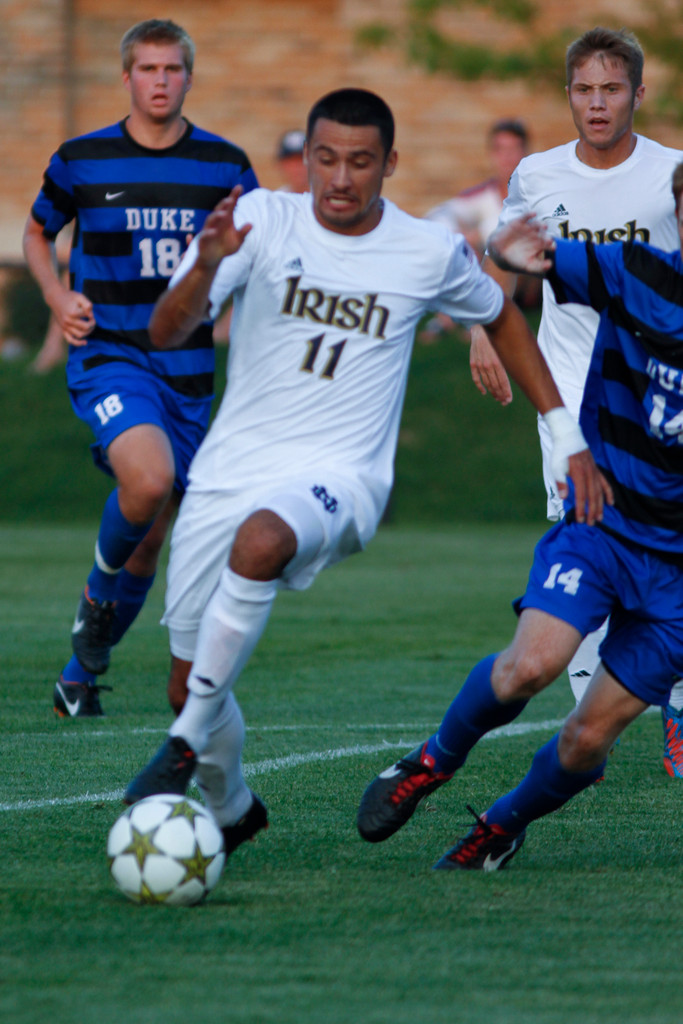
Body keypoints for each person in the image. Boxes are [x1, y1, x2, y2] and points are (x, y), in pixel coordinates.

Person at [121, 87, 603, 857]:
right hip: (230, 469)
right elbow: (164, 328)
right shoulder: (256, 220)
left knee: (262, 541)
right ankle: (233, 804)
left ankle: (179, 749)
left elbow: (502, 314)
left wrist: (562, 429)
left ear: (388, 165)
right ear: (305, 157)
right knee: (191, 679)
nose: (339, 178)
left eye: (358, 162)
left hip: (341, 479)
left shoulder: (423, 248)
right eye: (324, 159)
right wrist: (205, 265)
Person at [358, 186, 683, 869]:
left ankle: (499, 827)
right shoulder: (637, 271)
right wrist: (501, 249)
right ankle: (429, 763)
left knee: (585, 743)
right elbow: (526, 254)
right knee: (527, 668)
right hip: (606, 524)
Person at [23, 19, 258, 717]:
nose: (160, 81)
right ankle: (95, 598)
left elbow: (257, 251)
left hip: (187, 373)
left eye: (172, 69)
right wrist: (58, 295)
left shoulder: (225, 166)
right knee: (148, 479)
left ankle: (79, 673)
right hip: (110, 356)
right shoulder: (81, 158)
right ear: (126, 77)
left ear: (189, 77)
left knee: (151, 535)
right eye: (147, 69)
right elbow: (39, 231)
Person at [468, 26, 683, 776]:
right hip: (567, 403)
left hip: (655, 400)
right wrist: (482, 329)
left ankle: (675, 699)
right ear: (568, 96)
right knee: (581, 540)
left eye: (611, 89)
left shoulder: (671, 173)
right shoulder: (535, 174)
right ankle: (597, 714)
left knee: (663, 548)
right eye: (584, 91)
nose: (597, 104)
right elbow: (507, 258)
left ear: (636, 95)